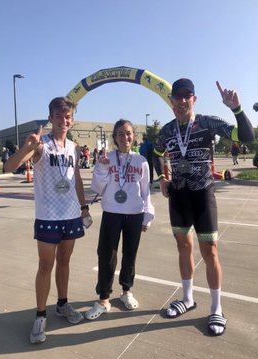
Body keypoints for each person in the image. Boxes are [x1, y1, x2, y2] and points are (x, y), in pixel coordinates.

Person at [153, 78, 254, 336]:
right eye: (178, 97)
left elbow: (247, 136)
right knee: (183, 247)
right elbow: (156, 153)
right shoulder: (166, 131)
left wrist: (237, 108)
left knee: (209, 251)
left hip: (203, 196)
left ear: (194, 100)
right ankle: (187, 298)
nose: (182, 100)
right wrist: (163, 177)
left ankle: (216, 308)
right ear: (172, 101)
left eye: (187, 96)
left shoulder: (208, 123)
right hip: (179, 197)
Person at [4, 97, 92, 344]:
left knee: (65, 262)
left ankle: (63, 305)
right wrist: (25, 148)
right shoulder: (40, 145)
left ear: (72, 120)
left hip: (72, 214)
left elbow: (75, 180)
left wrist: (84, 207)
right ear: (51, 118)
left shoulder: (74, 148)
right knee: (46, 266)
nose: (63, 120)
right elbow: (9, 168)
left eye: (68, 116)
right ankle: (40, 315)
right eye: (58, 116)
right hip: (48, 216)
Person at [85, 119, 155, 320]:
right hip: (112, 212)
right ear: (115, 137)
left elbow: (145, 191)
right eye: (121, 134)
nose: (125, 137)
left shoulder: (141, 160)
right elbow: (97, 188)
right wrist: (102, 168)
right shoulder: (107, 158)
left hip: (134, 213)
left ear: (134, 136)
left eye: (129, 133)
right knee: (106, 255)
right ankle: (104, 298)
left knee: (130, 254)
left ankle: (126, 291)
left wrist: (147, 216)